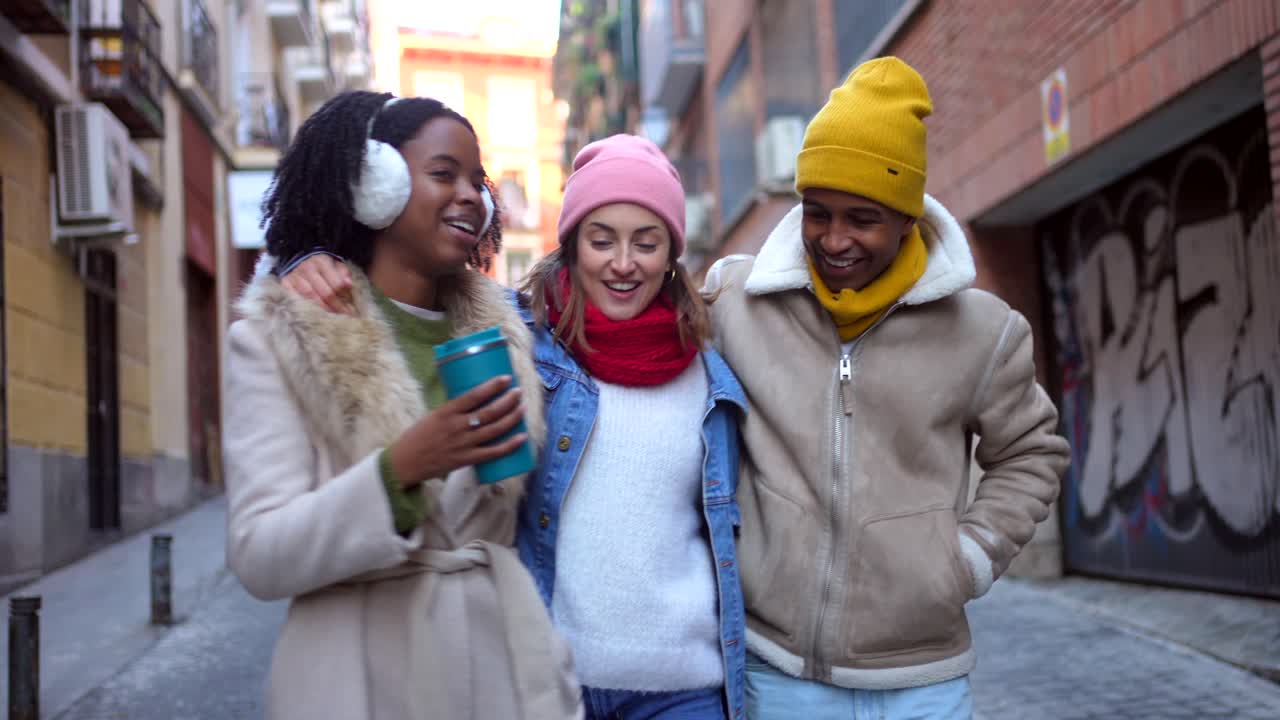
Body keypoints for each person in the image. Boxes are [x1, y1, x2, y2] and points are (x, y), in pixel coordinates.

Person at [278, 135, 749, 720]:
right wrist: (314, 262)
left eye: (646, 243)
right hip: (546, 680)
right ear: (572, 245)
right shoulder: (522, 342)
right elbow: (408, 288)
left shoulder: (712, 374)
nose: (623, 263)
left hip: (682, 689)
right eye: (601, 241)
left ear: (671, 254)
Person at [701, 57, 1070, 719]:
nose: (834, 240)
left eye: (861, 218)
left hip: (922, 680)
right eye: (817, 213)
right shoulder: (736, 302)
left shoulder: (983, 332)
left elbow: (1031, 453)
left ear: (906, 218)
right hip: (782, 673)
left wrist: (969, 558)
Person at [222, 90, 581, 720]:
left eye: (479, 180)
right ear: (373, 184)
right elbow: (259, 554)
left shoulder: (510, 334)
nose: (471, 195)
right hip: (358, 684)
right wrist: (398, 472)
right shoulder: (281, 333)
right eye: (444, 174)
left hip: (502, 682)